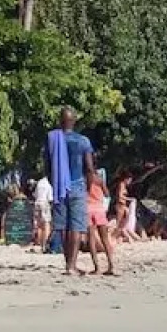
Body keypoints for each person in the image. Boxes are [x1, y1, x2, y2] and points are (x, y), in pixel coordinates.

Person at [46, 107, 97, 276]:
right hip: (77, 185)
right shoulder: (83, 141)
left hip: (59, 186)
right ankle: (72, 265)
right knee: (75, 226)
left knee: (62, 226)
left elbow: (47, 166)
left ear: (60, 121)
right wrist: (89, 187)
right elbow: (89, 168)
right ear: (74, 121)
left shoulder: (52, 139)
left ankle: (67, 263)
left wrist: (54, 183)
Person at [86, 174, 116, 275]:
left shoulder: (84, 179)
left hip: (88, 208)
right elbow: (107, 194)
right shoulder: (99, 179)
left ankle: (97, 267)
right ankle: (111, 265)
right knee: (105, 239)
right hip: (99, 209)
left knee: (91, 239)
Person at [30, 174, 53, 253]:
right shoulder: (48, 185)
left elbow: (35, 195)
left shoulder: (39, 183)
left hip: (37, 203)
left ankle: (40, 245)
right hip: (45, 204)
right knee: (46, 224)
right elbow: (50, 198)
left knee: (39, 226)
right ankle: (45, 246)